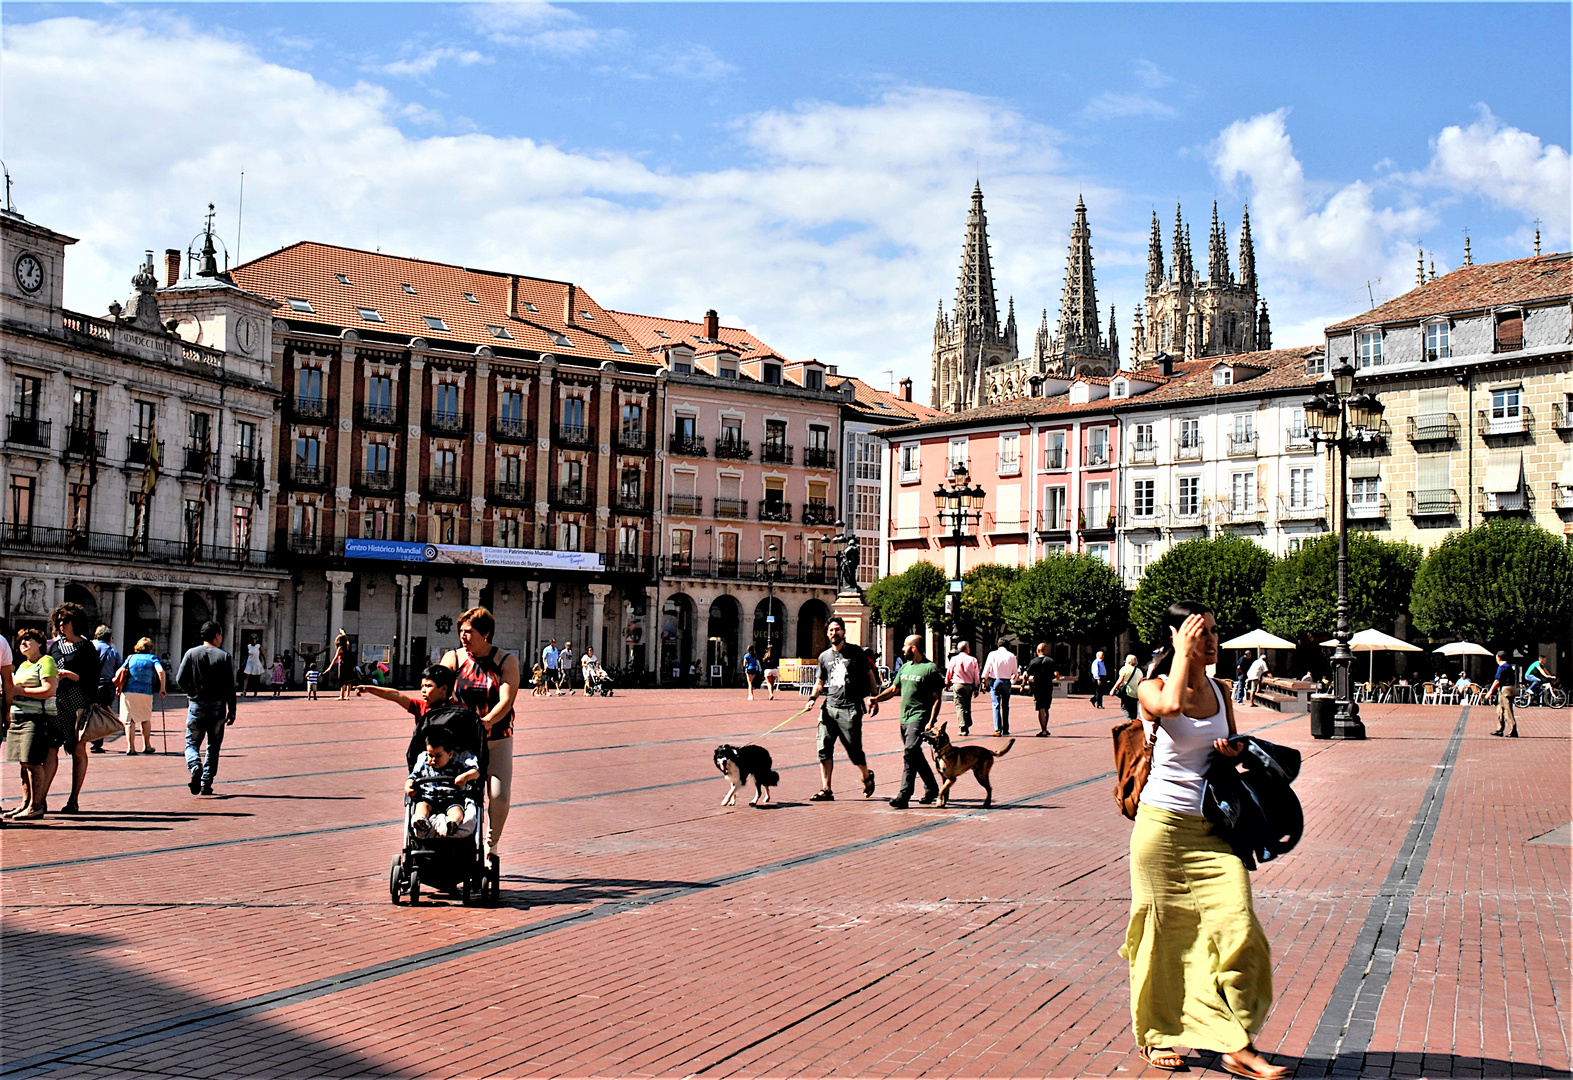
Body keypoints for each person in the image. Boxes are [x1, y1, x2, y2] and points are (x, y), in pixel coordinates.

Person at [1125, 601, 1287, 1079]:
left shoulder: (1222, 690)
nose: (1214, 640)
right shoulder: (1151, 687)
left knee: (1240, 928)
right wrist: (1181, 653)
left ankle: (1234, 1039)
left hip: (1214, 831)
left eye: (1215, 631)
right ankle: (1157, 1035)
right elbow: (1170, 707)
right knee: (1162, 935)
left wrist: (1234, 749)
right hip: (1162, 830)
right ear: (1179, 638)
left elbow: (1233, 750)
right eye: (1203, 633)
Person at [440, 607, 519, 868]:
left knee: (499, 795)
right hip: (460, 742)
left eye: (469, 632)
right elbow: (437, 689)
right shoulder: (453, 659)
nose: (463, 636)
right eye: (461, 631)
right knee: (453, 790)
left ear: (485, 633)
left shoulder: (505, 661)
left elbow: (506, 701)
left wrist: (487, 721)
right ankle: (449, 839)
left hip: (496, 739)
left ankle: (491, 844)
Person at [803, 615, 878, 801]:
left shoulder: (856, 653)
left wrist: (873, 698)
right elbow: (820, 682)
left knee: (854, 750)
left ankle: (866, 776)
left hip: (850, 708)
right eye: (830, 630)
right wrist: (813, 698)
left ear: (843, 632)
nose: (833, 633)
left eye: (837, 629)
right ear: (827, 634)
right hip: (829, 707)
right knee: (824, 749)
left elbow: (869, 676)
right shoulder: (824, 657)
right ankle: (826, 789)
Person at [872, 634, 942, 809]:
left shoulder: (930, 669)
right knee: (915, 754)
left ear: (914, 648)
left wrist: (931, 721)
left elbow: (937, 698)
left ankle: (904, 795)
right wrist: (877, 699)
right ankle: (932, 789)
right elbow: (894, 689)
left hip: (919, 718)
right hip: (904, 718)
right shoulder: (905, 668)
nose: (902, 649)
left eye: (905, 646)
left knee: (910, 752)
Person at [4, 629, 61, 820]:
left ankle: (36, 805)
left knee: (33, 763)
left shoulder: (46, 661)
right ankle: (25, 803)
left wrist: (20, 691)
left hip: (37, 718)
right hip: (19, 718)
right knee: (23, 763)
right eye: (21, 640)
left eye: (29, 639)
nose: (23, 642)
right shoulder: (21, 666)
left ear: (39, 643)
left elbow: (49, 690)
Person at [176, 621, 238, 796]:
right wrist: (232, 709)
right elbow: (229, 686)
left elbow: (180, 679)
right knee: (213, 745)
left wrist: (192, 693)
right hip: (218, 707)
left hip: (197, 704)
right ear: (217, 635)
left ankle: (195, 765)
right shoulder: (224, 656)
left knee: (191, 743)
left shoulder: (191, 653)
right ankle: (206, 782)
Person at [48, 603, 99, 813]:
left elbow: (92, 679)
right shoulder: (54, 646)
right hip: (55, 702)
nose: (61, 624)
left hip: (77, 703)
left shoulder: (87, 648)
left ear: (75, 623)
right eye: (59, 621)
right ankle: (40, 798)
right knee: (50, 749)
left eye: (65, 620)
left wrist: (71, 675)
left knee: (78, 750)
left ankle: (73, 798)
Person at [406, 726, 481, 839]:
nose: (433, 759)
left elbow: (476, 772)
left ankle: (453, 823)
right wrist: (409, 786)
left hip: (452, 798)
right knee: (421, 806)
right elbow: (413, 776)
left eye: (438, 756)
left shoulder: (459, 761)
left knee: (456, 810)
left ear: (450, 754)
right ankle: (421, 821)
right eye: (430, 755)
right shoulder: (423, 761)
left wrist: (465, 777)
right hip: (429, 797)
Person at [113, 637, 165, 755]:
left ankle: (130, 747)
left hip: (128, 691)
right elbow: (160, 671)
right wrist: (162, 688)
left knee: (129, 721)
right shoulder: (152, 658)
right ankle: (147, 745)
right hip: (145, 691)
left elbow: (119, 673)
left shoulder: (130, 658)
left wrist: (119, 687)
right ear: (150, 648)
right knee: (145, 718)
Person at [89, 625, 122, 753]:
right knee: (103, 713)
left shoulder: (89, 646)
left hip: (90, 685)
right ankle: (97, 741)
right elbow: (119, 668)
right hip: (106, 686)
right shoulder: (112, 650)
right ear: (109, 638)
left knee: (89, 711)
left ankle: (86, 736)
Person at [981, 639, 1018, 737]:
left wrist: (984, 680)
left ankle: (997, 729)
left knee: (996, 705)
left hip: (995, 680)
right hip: (1006, 681)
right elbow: (1015, 673)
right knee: (1005, 706)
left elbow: (987, 669)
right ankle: (1006, 728)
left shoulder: (992, 654)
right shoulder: (1011, 656)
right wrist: (1012, 681)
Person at [1021, 643, 1058, 737]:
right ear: (1045, 650)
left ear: (1037, 651)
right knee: (1046, 707)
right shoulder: (1050, 661)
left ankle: (1043, 730)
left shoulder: (1034, 661)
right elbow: (1056, 675)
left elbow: (1026, 675)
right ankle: (1046, 727)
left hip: (1038, 687)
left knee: (1041, 708)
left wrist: (1022, 685)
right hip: (1048, 686)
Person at [945, 642, 982, 736]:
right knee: (967, 705)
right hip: (969, 685)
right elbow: (976, 674)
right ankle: (968, 721)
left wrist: (947, 683)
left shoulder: (954, 659)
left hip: (957, 684)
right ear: (966, 649)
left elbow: (949, 671)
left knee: (959, 706)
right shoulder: (973, 660)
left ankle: (962, 726)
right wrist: (977, 686)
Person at [1485, 651, 1518, 737]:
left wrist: (1489, 692)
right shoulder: (1509, 667)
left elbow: (1497, 681)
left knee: (1507, 710)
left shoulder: (1502, 667)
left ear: (1498, 657)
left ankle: (1513, 729)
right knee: (1500, 709)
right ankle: (1500, 729)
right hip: (1510, 687)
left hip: (1505, 689)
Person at [1111, 653, 1142, 721]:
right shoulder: (1139, 671)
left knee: (1124, 708)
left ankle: (1129, 720)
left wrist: (1113, 689)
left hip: (1127, 692)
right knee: (1133, 709)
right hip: (1135, 693)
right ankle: (1133, 720)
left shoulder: (1124, 669)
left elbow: (1120, 680)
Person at [331, 631, 352, 701]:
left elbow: (335, 658)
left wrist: (330, 667)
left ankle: (341, 695)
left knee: (342, 680)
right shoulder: (347, 646)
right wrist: (343, 633)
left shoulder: (340, 648)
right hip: (349, 663)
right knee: (348, 681)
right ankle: (347, 695)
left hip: (342, 664)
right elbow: (346, 639)